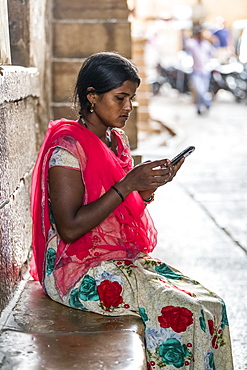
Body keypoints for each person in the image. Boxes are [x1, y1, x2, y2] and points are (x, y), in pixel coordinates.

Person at [30, 52, 233, 369]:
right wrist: (127, 184)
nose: (128, 107)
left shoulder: (116, 140)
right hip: (76, 269)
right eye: (120, 97)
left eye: (132, 98)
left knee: (212, 305)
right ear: (92, 97)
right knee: (183, 313)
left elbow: (125, 210)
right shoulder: (67, 147)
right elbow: (69, 228)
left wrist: (147, 189)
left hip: (115, 257)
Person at [184, 26, 215, 115]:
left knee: (203, 91)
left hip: (205, 71)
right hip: (196, 71)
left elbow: (212, 54)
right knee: (199, 90)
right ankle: (207, 103)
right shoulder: (193, 43)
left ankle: (199, 108)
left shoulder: (206, 44)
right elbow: (187, 44)